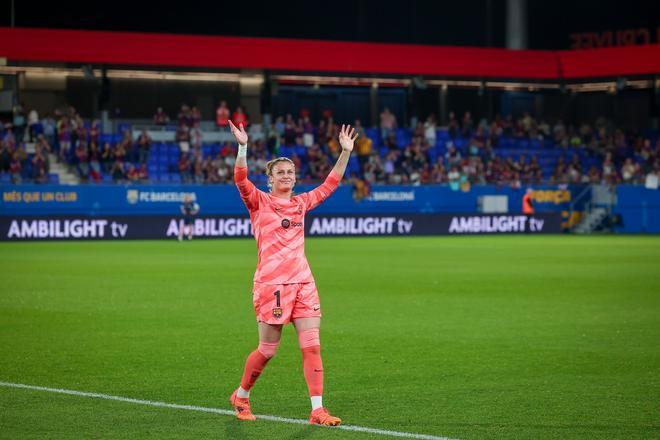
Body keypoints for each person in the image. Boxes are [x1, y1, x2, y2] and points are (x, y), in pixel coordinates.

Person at [228, 120, 357, 426]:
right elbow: (240, 179)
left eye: (290, 172)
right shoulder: (259, 202)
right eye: (280, 173)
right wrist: (243, 146)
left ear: (295, 179)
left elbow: (329, 185)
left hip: (303, 283)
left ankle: (317, 410)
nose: (286, 176)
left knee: (312, 346)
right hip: (272, 284)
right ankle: (242, 394)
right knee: (268, 350)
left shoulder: (300, 204)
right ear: (270, 179)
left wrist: (345, 152)